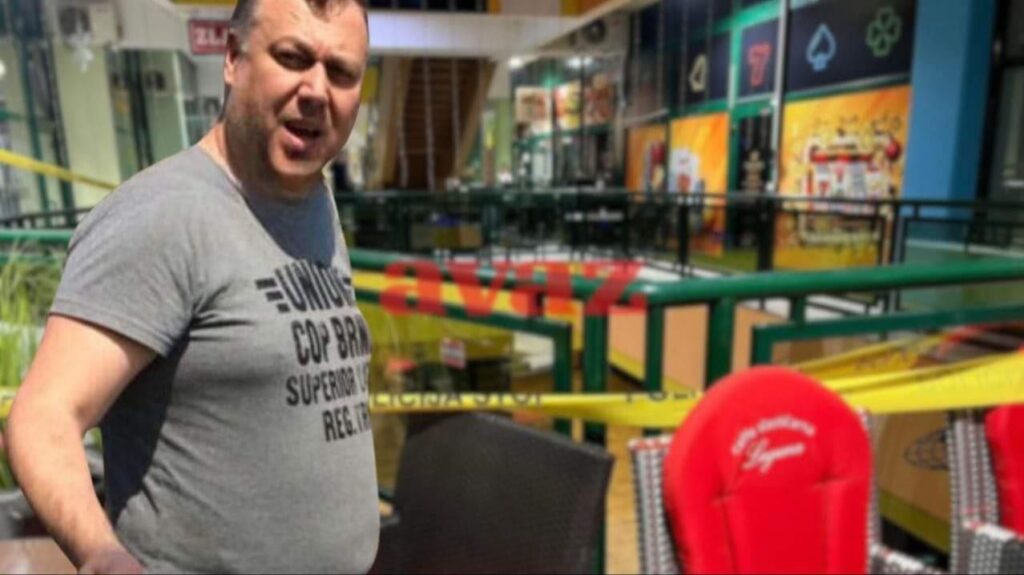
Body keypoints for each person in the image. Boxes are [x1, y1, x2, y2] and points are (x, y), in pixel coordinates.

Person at [5, 0, 377, 573]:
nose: (316, 90)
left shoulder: (312, 201)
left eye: (341, 72)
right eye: (292, 58)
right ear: (232, 57)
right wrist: (102, 555)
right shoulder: (163, 216)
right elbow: (43, 415)